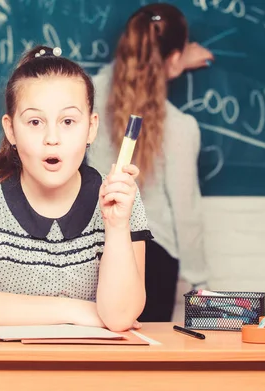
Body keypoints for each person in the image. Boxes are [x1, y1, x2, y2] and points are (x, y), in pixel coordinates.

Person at [0, 45, 153, 332]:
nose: (51, 138)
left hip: (90, 372)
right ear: (11, 130)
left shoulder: (121, 195)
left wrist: (116, 226)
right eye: (34, 122)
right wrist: (78, 311)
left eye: (68, 121)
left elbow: (119, 317)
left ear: (91, 128)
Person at [87, 3, 213, 322]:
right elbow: (186, 211)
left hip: (93, 248)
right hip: (155, 260)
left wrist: (172, 58)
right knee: (146, 362)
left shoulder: (83, 101)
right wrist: (199, 281)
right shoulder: (180, 127)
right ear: (173, 58)